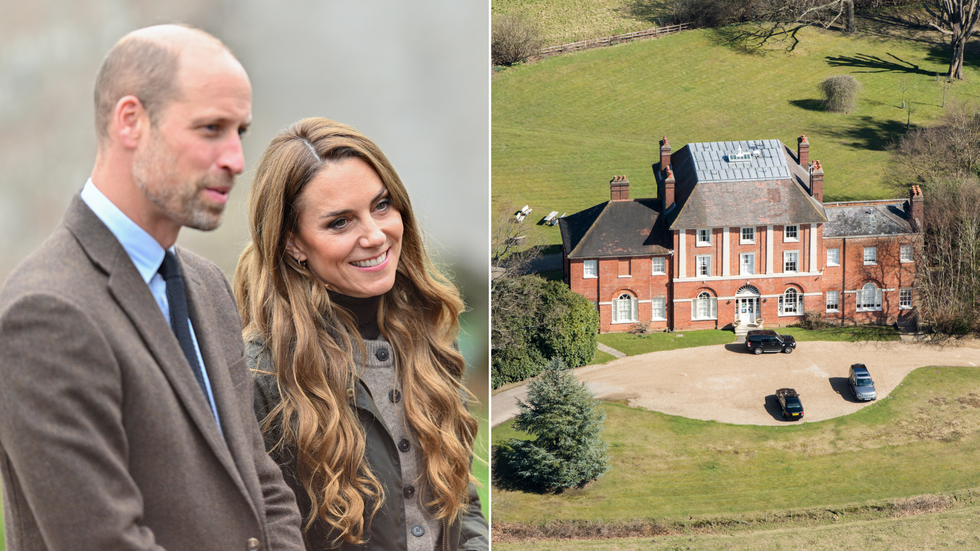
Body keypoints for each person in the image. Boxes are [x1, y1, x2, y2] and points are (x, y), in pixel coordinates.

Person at [0, 25, 304, 551]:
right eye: (211, 129)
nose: (235, 159)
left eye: (240, 132)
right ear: (131, 122)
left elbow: (263, 487)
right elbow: (102, 541)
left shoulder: (207, 285)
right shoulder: (45, 311)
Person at [234, 117, 489, 551]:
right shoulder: (259, 379)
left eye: (382, 205)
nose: (374, 235)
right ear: (293, 243)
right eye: (339, 223)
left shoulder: (429, 346)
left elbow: (462, 508)